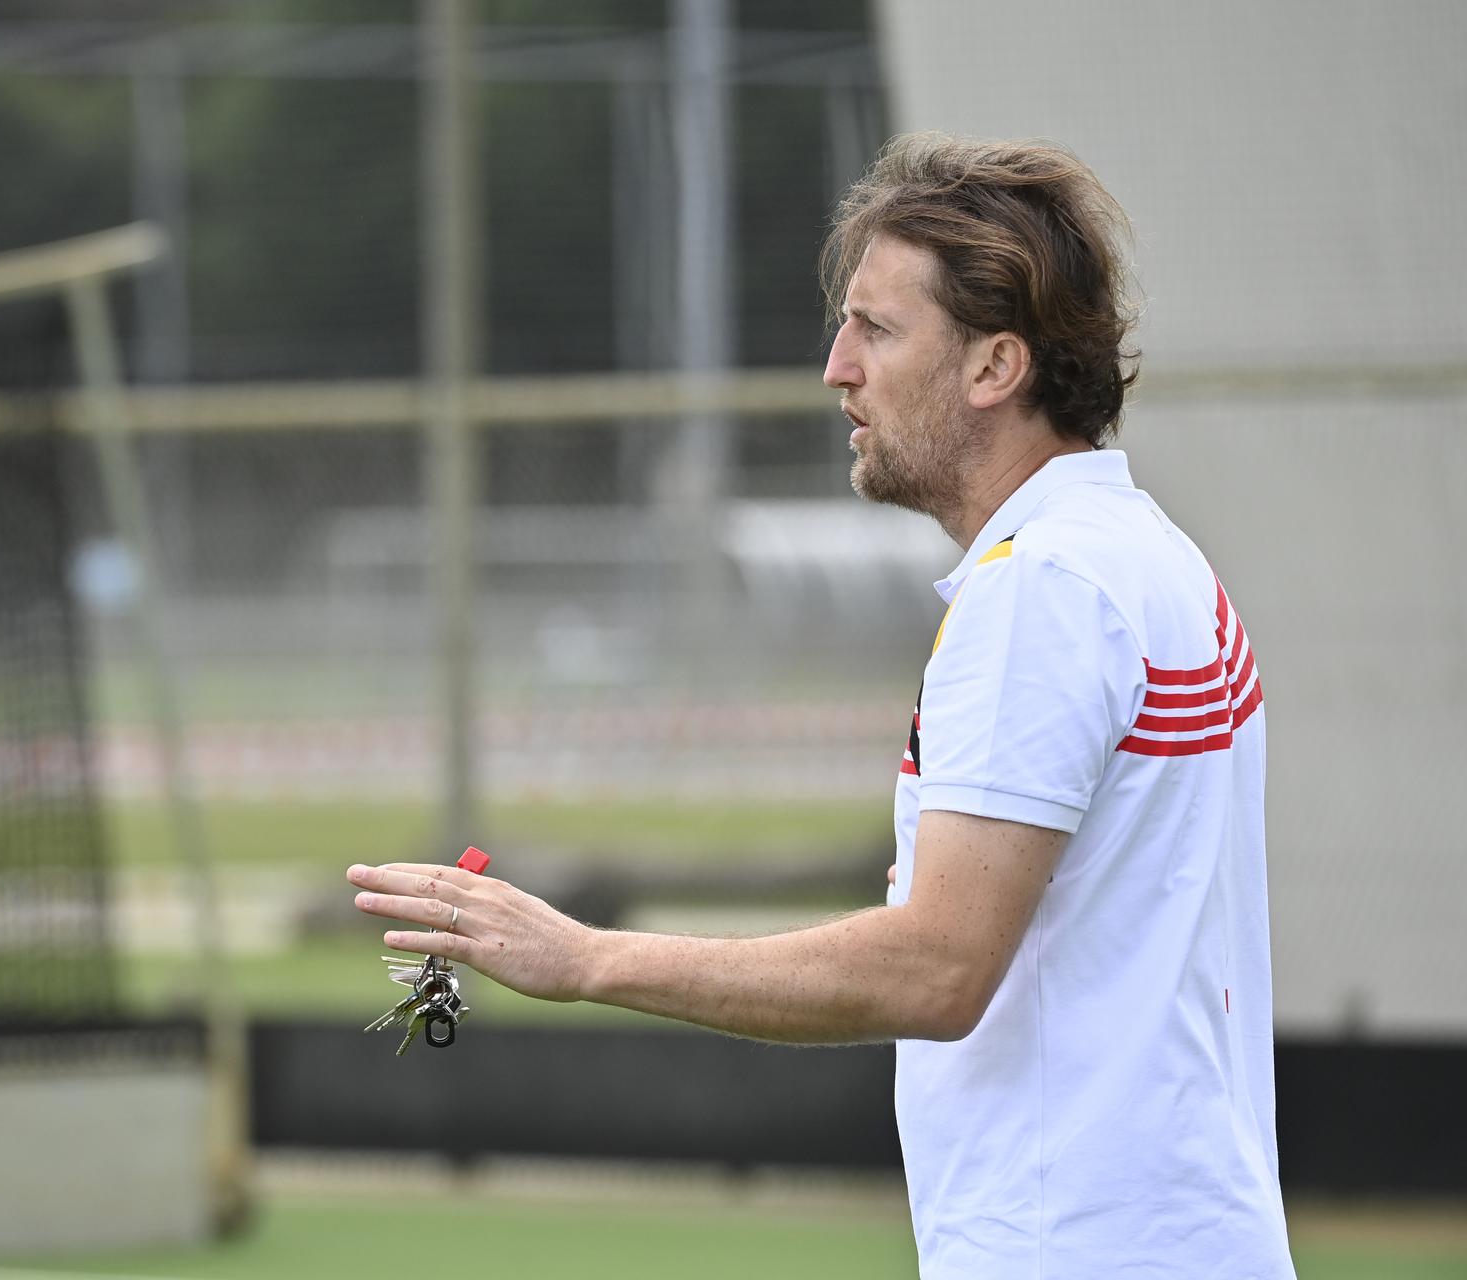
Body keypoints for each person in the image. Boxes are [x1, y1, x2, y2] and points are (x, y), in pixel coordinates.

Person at [348, 133, 1295, 1279]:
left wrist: (588, 957)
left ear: (996, 365)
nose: (838, 366)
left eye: (878, 330)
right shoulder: (1148, 556)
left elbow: (937, 969)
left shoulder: (1042, 589)